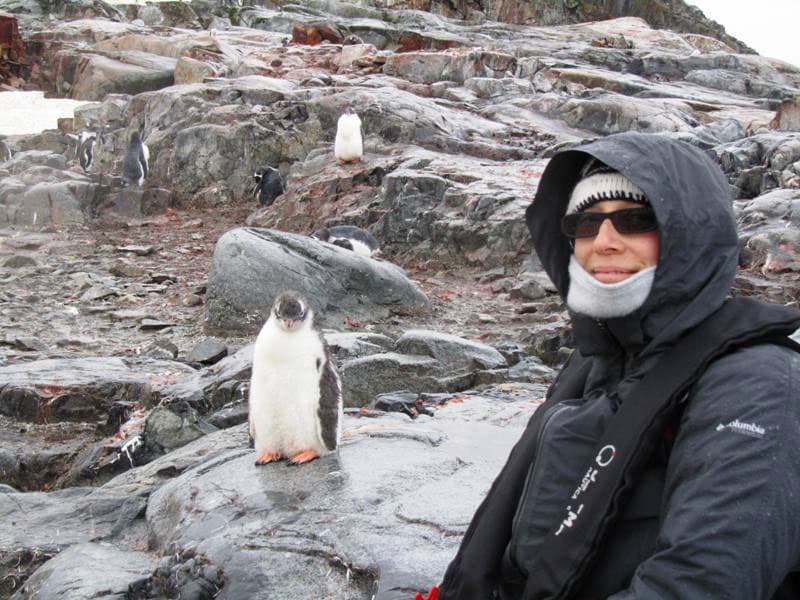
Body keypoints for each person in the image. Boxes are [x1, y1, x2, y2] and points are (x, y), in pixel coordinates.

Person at [425, 132, 800, 600]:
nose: (602, 242)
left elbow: (701, 582)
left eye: (635, 220)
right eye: (585, 224)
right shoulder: (598, 360)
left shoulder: (757, 381)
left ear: (689, 234)